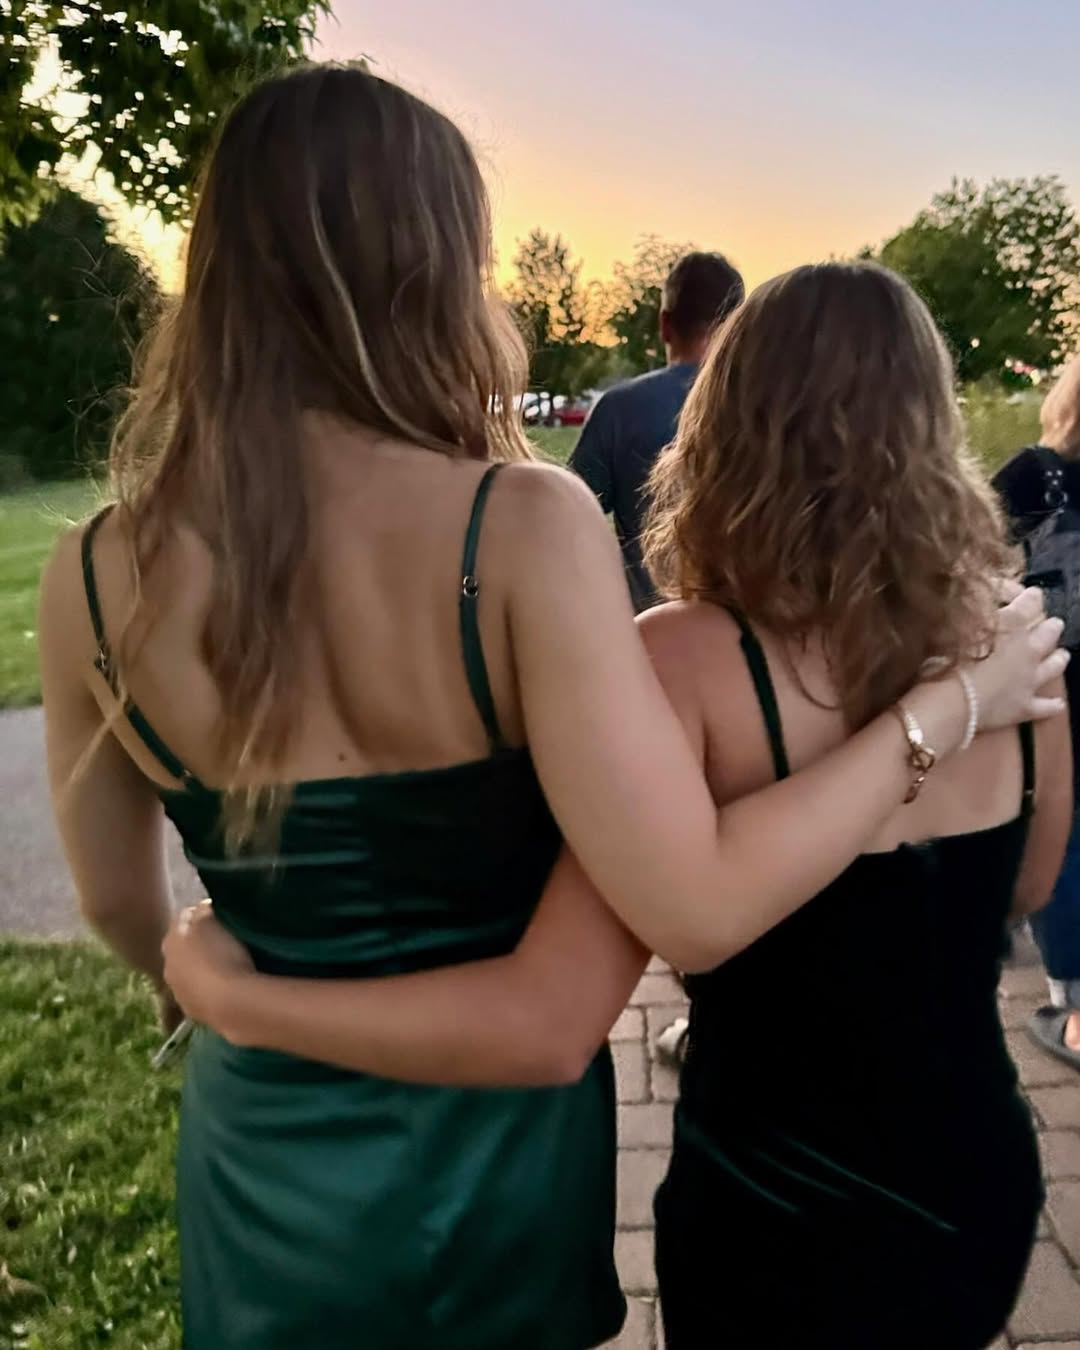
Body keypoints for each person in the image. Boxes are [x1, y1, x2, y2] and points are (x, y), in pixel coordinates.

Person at [162, 262, 1071, 1349]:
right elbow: (1025, 884)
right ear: (930, 423)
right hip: (973, 1168)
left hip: (775, 1196)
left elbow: (630, 946)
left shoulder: (682, 662)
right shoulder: (1012, 644)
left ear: (727, 424)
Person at [570, 251, 744, 612]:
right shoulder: (772, 410)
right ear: (740, 327)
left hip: (646, 632)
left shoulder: (619, 409)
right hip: (752, 636)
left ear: (665, 325)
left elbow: (568, 522)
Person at [994, 355, 1080, 1066]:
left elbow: (968, 550)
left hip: (1058, 672)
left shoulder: (1033, 474)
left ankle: (1072, 1000)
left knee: (1062, 822)